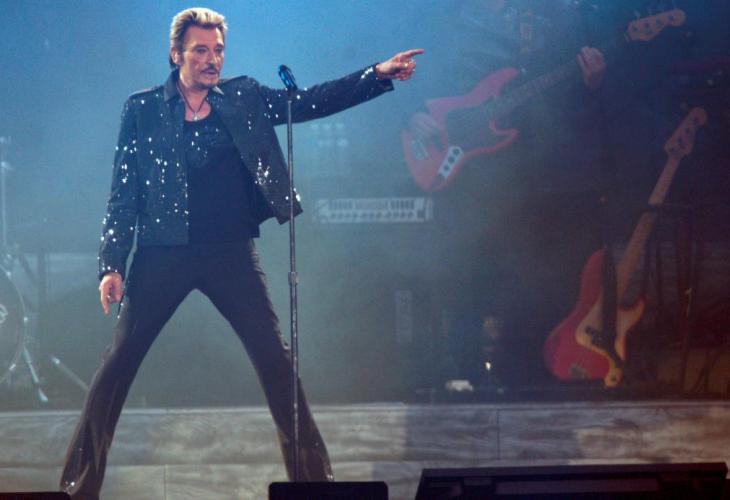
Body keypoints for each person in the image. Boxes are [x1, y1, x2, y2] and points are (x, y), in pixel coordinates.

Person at [59, 7, 422, 499]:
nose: (213, 59)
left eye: (218, 50)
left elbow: (308, 102)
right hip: (162, 254)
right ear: (176, 54)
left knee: (276, 362)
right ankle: (76, 489)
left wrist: (376, 74)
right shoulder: (142, 109)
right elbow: (122, 194)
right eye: (201, 50)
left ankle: (314, 487)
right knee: (117, 363)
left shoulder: (244, 97)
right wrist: (111, 264)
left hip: (230, 253)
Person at [406, 0, 608, 389]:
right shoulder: (439, 15)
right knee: (463, 274)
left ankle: (522, 374)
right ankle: (462, 371)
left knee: (527, 277)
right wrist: (411, 114)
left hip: (530, 170)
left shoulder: (548, 14)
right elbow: (402, 73)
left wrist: (592, 83)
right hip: (462, 171)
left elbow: (571, 99)